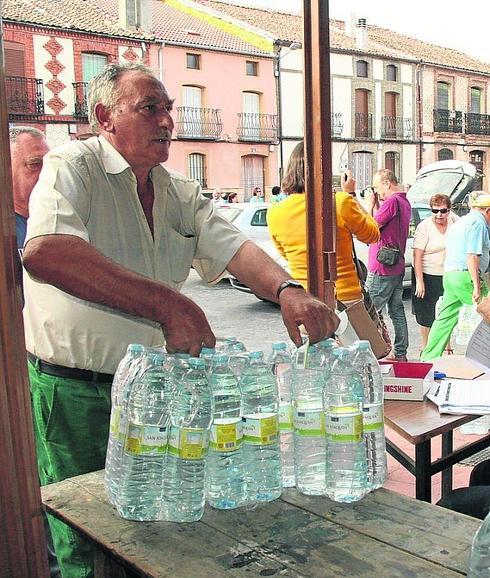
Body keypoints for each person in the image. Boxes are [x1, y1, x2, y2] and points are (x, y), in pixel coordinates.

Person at [22, 62, 339, 578]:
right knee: (84, 539)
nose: (168, 120)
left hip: (154, 392)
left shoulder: (176, 190)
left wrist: (289, 291)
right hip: (77, 392)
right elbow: (46, 253)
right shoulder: (71, 168)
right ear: (106, 116)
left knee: (153, 534)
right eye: (151, 108)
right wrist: (167, 303)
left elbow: (233, 246)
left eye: (169, 108)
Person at [267, 141, 380, 302]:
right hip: (345, 298)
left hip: (305, 302)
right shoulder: (340, 202)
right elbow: (373, 235)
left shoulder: (275, 211)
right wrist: (351, 194)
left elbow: (285, 255)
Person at [421, 193, 490, 361]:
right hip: (465, 275)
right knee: (488, 309)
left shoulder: (462, 221)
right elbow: (472, 255)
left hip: (450, 276)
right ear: (488, 211)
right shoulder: (478, 223)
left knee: (445, 319)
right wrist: (476, 285)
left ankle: (428, 358)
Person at [365, 169, 412, 361]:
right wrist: (377, 206)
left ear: (387, 183)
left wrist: (369, 206)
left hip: (382, 268)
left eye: (378, 187)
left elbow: (369, 227)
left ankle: (368, 354)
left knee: (368, 312)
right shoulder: (404, 201)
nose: (377, 192)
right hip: (396, 265)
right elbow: (387, 227)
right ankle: (400, 353)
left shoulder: (392, 201)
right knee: (397, 310)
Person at [412, 194, 458, 352]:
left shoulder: (455, 222)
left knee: (447, 311)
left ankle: (447, 347)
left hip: (447, 273)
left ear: (449, 210)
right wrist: (419, 281)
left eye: (443, 211)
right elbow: (417, 255)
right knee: (426, 315)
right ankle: (426, 348)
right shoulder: (424, 227)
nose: (439, 215)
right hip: (426, 273)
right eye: (435, 211)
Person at [10, 126, 49, 258]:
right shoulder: (6, 227)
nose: (47, 173)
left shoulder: (58, 215)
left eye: (49, 164)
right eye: (35, 164)